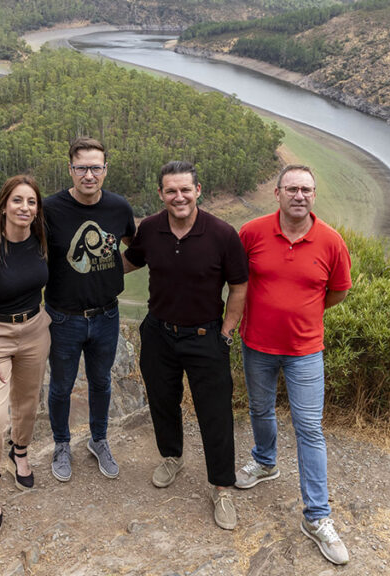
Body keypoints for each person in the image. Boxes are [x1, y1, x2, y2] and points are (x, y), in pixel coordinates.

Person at [235, 164, 352, 564]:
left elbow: (337, 291)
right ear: (277, 192)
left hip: (305, 352)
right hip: (257, 346)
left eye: (306, 189)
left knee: (309, 429)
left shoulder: (331, 241)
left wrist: (302, 314)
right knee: (259, 409)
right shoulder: (251, 233)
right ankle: (266, 462)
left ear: (313, 195)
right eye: (292, 189)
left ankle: (317, 517)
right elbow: (236, 280)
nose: (299, 196)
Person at [123, 160, 247, 530]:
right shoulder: (150, 228)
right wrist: (85, 271)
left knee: (215, 413)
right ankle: (171, 457)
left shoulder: (223, 234)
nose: (179, 196)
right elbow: (131, 261)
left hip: (206, 336)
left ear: (198, 190)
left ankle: (221, 487)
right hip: (158, 333)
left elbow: (239, 286)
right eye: (171, 191)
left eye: (185, 190)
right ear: (161, 194)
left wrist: (227, 331)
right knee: (162, 401)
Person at [44, 137, 135, 482]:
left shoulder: (118, 208)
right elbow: (31, 255)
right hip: (62, 317)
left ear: (105, 170)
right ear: (70, 169)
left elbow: (134, 248)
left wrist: (115, 270)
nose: (88, 175)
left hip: (106, 315)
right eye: (81, 167)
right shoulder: (50, 209)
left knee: (101, 382)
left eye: (95, 167)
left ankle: (99, 440)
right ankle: (62, 444)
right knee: (61, 386)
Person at [0, 174, 51, 536]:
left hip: (35, 330)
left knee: (28, 403)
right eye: (18, 200)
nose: (25, 208)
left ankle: (21, 452)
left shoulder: (41, 240)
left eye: (31, 202)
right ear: (3, 205)